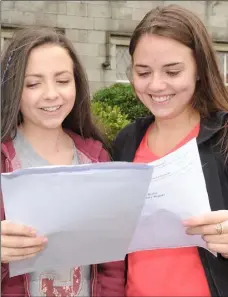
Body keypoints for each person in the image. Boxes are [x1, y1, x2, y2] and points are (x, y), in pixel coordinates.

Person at [112, 4, 228, 297]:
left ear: (199, 70)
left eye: (172, 71)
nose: (156, 85)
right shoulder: (126, 142)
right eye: (143, 72)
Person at [1, 27, 124, 297]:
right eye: (33, 83)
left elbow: (112, 264)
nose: (51, 94)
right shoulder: (5, 161)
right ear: (13, 89)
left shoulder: (96, 159)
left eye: (63, 80)